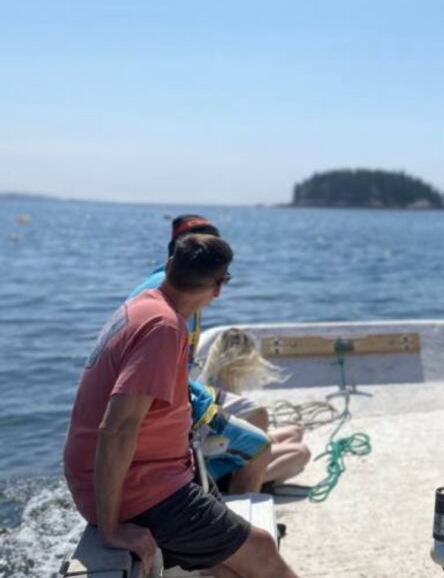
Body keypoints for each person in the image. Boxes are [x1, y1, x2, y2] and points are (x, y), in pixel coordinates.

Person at [64, 235, 299, 577]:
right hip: (142, 489)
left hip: (151, 477)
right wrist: (110, 526)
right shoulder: (163, 328)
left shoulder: (143, 303)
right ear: (220, 287)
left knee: (231, 566)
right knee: (261, 549)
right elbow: (117, 428)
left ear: (170, 265)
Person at [130, 215, 306, 494]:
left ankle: (236, 470)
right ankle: (230, 505)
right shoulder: (167, 305)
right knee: (282, 448)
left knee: (279, 427)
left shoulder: (172, 287)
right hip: (174, 413)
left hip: (187, 393)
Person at [202, 328, 311, 488]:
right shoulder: (251, 410)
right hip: (224, 470)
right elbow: (256, 451)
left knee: (295, 431)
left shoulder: (204, 385)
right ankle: (253, 481)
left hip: (215, 453)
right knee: (300, 452)